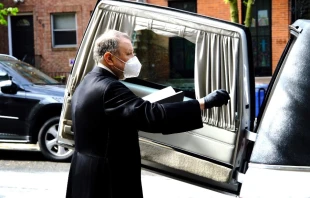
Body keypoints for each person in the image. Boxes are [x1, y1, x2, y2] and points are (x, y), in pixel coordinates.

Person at [66, 30, 230, 198]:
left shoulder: (88, 81)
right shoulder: (110, 88)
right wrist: (203, 103)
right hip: (107, 177)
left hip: (86, 170)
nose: (133, 59)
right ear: (109, 58)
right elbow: (150, 116)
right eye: (128, 54)